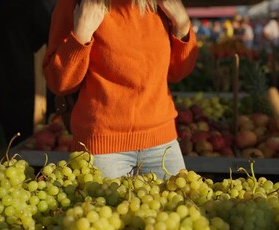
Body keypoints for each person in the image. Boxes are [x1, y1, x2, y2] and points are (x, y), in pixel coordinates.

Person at [43, 0, 198, 179]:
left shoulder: (160, 3)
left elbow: (178, 73)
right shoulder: (74, 4)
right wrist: (81, 34)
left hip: (162, 143)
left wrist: (182, 24)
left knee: (178, 205)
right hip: (101, 147)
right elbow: (58, 83)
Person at [0, 0, 54, 146]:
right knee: (31, 142)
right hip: (27, 86)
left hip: (0, 86)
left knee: (13, 141)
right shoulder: (31, 5)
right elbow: (51, 35)